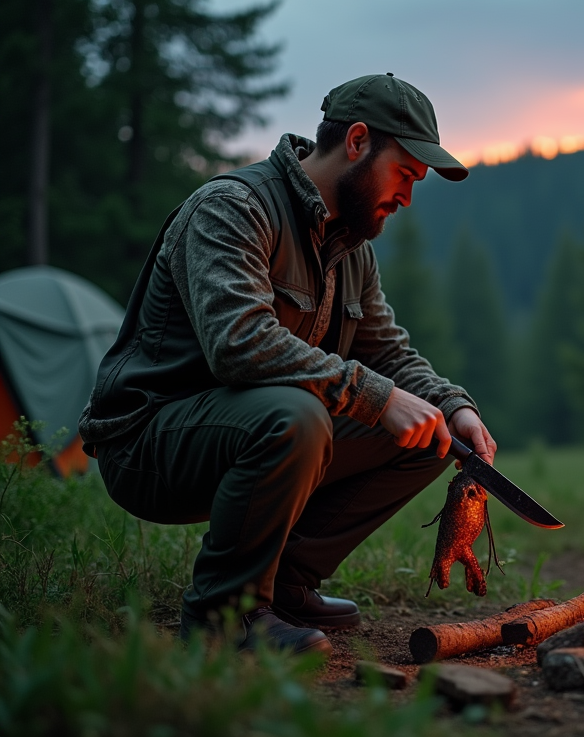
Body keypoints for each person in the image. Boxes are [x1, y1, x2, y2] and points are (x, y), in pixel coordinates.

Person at [79, 74, 496, 657]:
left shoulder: (351, 247)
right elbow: (240, 344)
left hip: (252, 433)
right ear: (356, 142)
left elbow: (388, 352)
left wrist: (453, 404)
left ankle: (284, 586)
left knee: (431, 433)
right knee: (298, 413)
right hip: (150, 442)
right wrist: (377, 397)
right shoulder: (232, 208)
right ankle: (226, 613)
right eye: (404, 173)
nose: (406, 196)